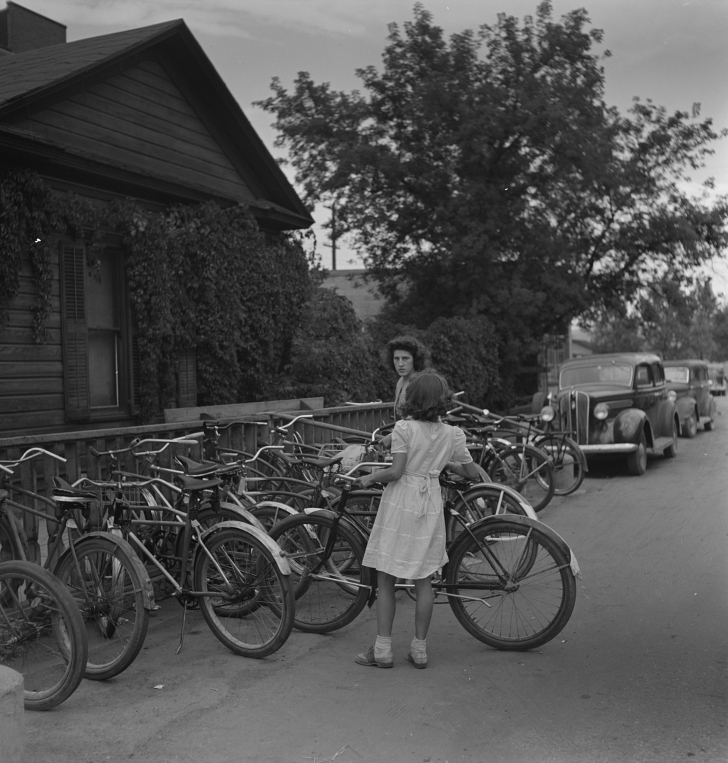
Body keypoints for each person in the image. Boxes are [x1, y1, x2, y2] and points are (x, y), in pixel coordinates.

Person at [353, 371, 481, 669]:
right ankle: (419, 649)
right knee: (424, 579)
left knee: (386, 576)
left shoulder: (404, 429)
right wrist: (441, 463)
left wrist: (370, 477)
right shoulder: (453, 434)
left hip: (401, 502)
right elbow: (471, 473)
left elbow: (396, 472)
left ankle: (383, 650)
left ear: (413, 400)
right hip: (430, 502)